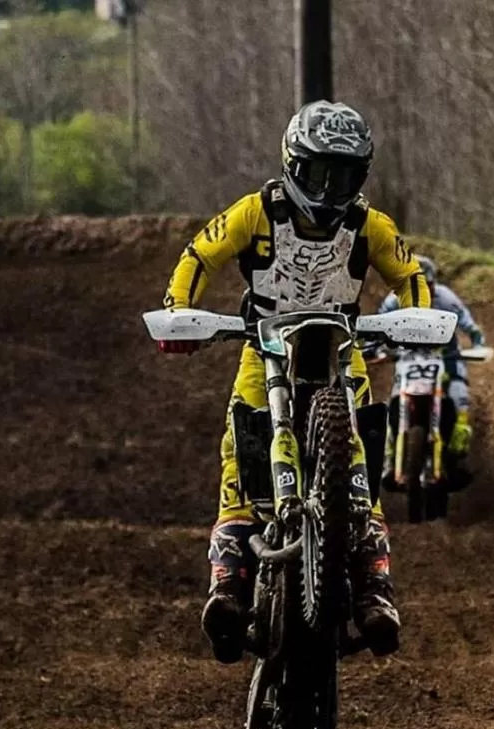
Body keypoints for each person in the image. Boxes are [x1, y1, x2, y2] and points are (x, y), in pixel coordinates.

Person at [158, 100, 431, 664]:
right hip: (265, 351)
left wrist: (418, 322)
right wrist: (177, 310)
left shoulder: (370, 225)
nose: (330, 189)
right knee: (240, 453)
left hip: (342, 350)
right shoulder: (255, 212)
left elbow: (410, 273)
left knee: (360, 458)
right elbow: (199, 254)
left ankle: (375, 591)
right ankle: (228, 586)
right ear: (292, 163)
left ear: (362, 176)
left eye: (345, 175)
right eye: (319, 172)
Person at [374, 254, 485, 483]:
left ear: (434, 283)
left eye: (428, 285)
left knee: (459, 398)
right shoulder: (395, 300)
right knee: (394, 404)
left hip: (447, 358)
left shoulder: (446, 298)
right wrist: (375, 347)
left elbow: (468, 323)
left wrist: (477, 341)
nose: (423, 291)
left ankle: (457, 456)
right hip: (409, 359)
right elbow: (377, 325)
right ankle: (388, 460)